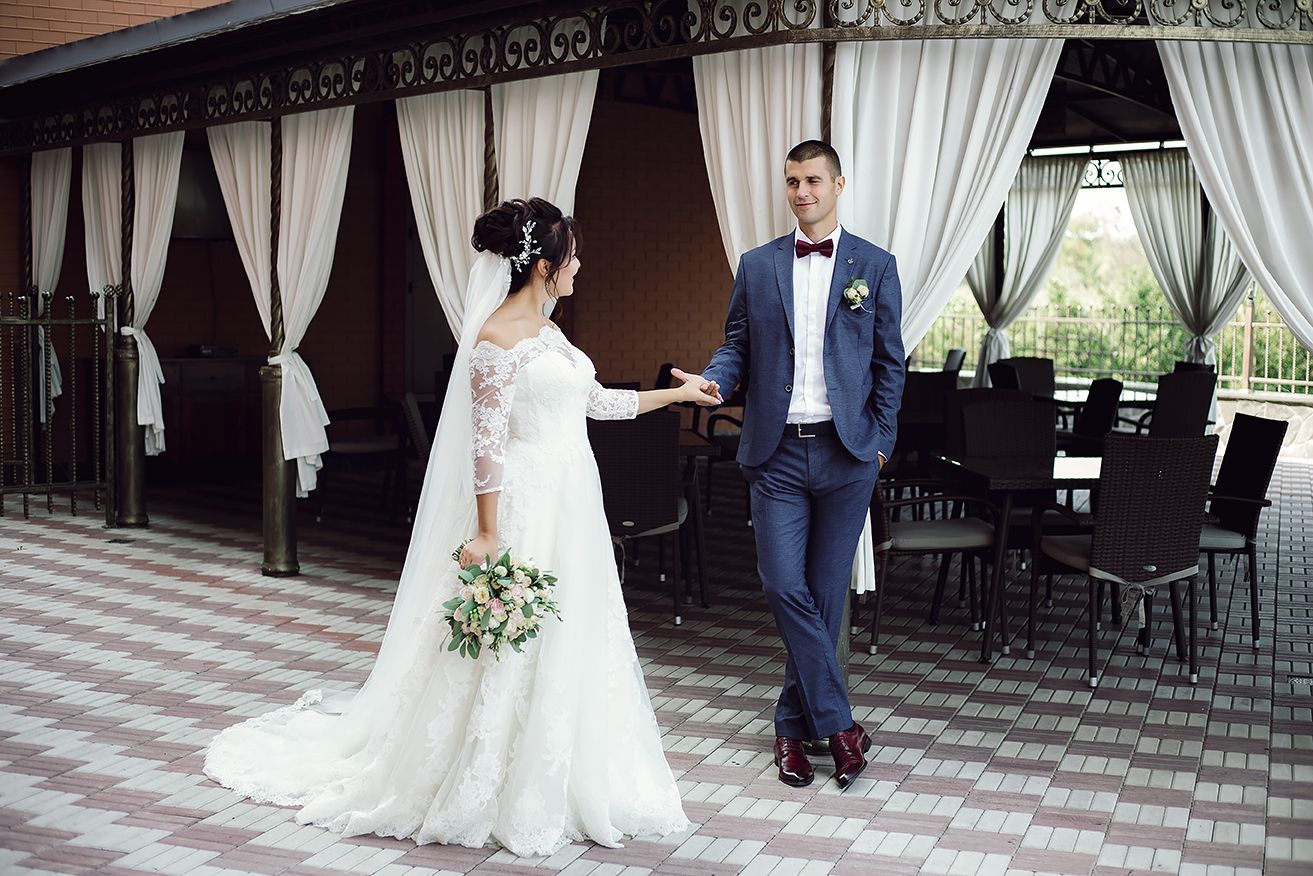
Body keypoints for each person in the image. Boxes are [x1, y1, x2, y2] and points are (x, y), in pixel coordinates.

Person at [204, 197, 712, 856]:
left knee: (574, 632)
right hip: (525, 503)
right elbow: (487, 445)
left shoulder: (550, 334)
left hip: (573, 502)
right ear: (544, 266)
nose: (579, 267)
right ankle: (488, 775)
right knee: (514, 639)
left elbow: (596, 403)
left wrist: (678, 394)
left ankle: (569, 771)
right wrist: (488, 532)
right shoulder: (495, 342)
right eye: (573, 257)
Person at [687, 140, 905, 790]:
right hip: (775, 453)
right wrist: (715, 379)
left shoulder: (875, 265)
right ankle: (840, 727)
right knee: (785, 586)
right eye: (791, 181)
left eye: (812, 180)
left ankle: (789, 729)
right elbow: (736, 343)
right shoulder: (757, 266)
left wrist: (880, 442)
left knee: (825, 599)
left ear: (838, 184)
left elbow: (889, 362)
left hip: (846, 455)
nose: (801, 192)